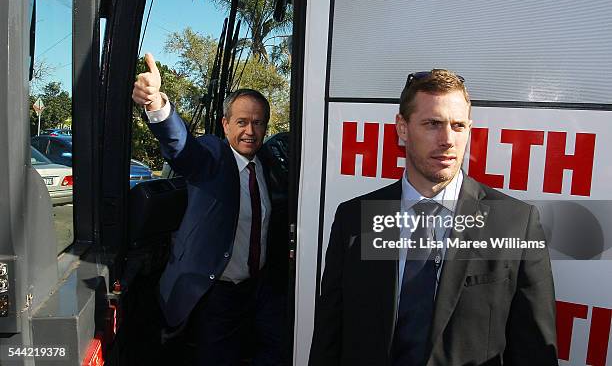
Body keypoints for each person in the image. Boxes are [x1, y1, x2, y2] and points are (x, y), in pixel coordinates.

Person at [308, 69, 558, 365]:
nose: (448, 140)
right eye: (433, 124)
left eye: (458, 126)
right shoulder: (355, 219)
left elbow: (535, 351)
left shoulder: (515, 222)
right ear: (402, 128)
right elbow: (329, 335)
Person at [132, 53, 286, 366]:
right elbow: (181, 147)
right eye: (241, 122)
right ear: (225, 123)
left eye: (258, 123)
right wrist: (157, 104)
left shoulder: (269, 165)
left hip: (260, 291)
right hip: (217, 294)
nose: (250, 131)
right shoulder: (213, 156)